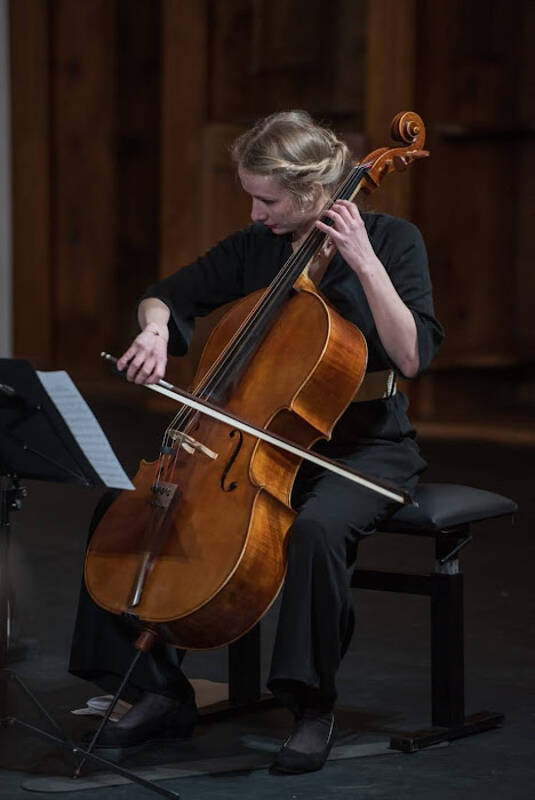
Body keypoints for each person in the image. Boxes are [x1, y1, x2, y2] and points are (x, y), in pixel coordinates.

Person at [69, 110, 444, 774]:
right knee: (125, 507)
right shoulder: (257, 245)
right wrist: (155, 330)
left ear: (312, 191)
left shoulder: (392, 240)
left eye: (265, 198)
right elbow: (168, 295)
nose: (253, 210)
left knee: (318, 533)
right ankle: (156, 691)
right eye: (249, 194)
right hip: (252, 444)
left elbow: (411, 357)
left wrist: (362, 263)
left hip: (364, 447)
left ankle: (311, 706)